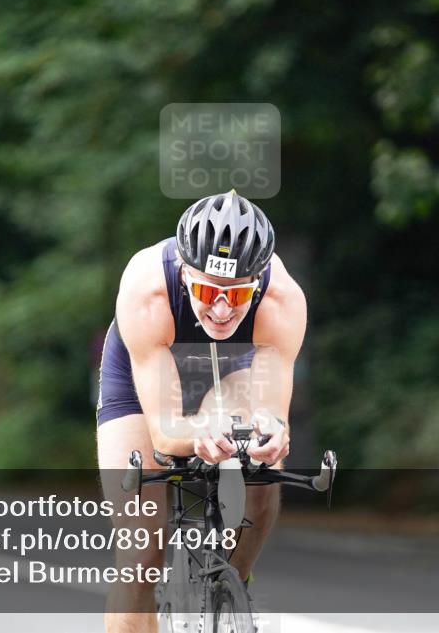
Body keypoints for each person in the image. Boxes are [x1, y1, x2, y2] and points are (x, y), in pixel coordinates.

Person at [96, 190, 307, 633]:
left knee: (263, 472)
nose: (223, 308)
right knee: (141, 555)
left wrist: (271, 434)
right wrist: (195, 438)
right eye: (209, 290)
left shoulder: (281, 299)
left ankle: (234, 586)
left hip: (232, 372)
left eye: (238, 293)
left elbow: (271, 411)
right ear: (187, 275)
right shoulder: (148, 287)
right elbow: (164, 433)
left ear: (258, 282)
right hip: (145, 384)